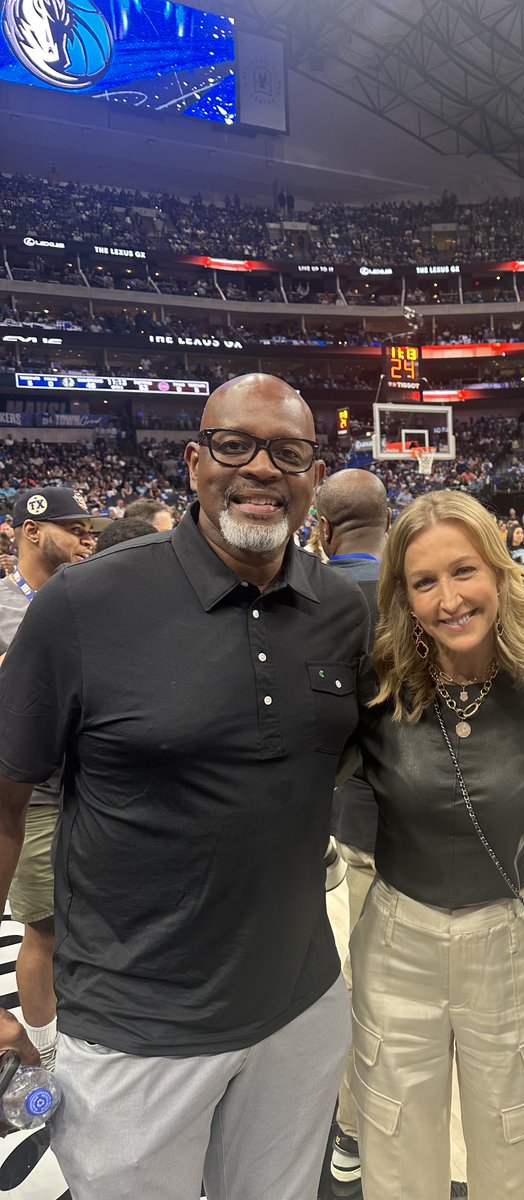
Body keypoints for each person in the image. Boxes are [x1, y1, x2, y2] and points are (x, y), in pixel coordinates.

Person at [0, 374, 370, 1200]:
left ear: (315, 474)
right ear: (195, 460)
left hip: (301, 1013)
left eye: (290, 452)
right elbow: (5, 799)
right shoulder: (85, 602)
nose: (262, 469)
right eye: (236, 446)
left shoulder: (343, 612)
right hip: (133, 1036)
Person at [350, 491, 524, 1200]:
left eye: (464, 571)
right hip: (396, 946)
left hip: (508, 946)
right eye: (424, 582)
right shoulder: (375, 695)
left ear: (500, 574)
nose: (449, 599)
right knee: (395, 1156)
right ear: (403, 598)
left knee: (521, 1155)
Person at [0, 488, 101, 1072]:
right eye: (74, 529)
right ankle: (42, 1046)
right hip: (31, 798)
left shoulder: (84, 601)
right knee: (43, 930)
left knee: (90, 924)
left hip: (91, 791)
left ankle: (83, 1032)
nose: (87, 540)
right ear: (33, 531)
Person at [316, 467, 390, 1189]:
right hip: (433, 819)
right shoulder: (418, 589)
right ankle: (354, 1125)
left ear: (324, 527)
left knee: (370, 988)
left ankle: (350, 1130)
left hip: (351, 820)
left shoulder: (306, 594)